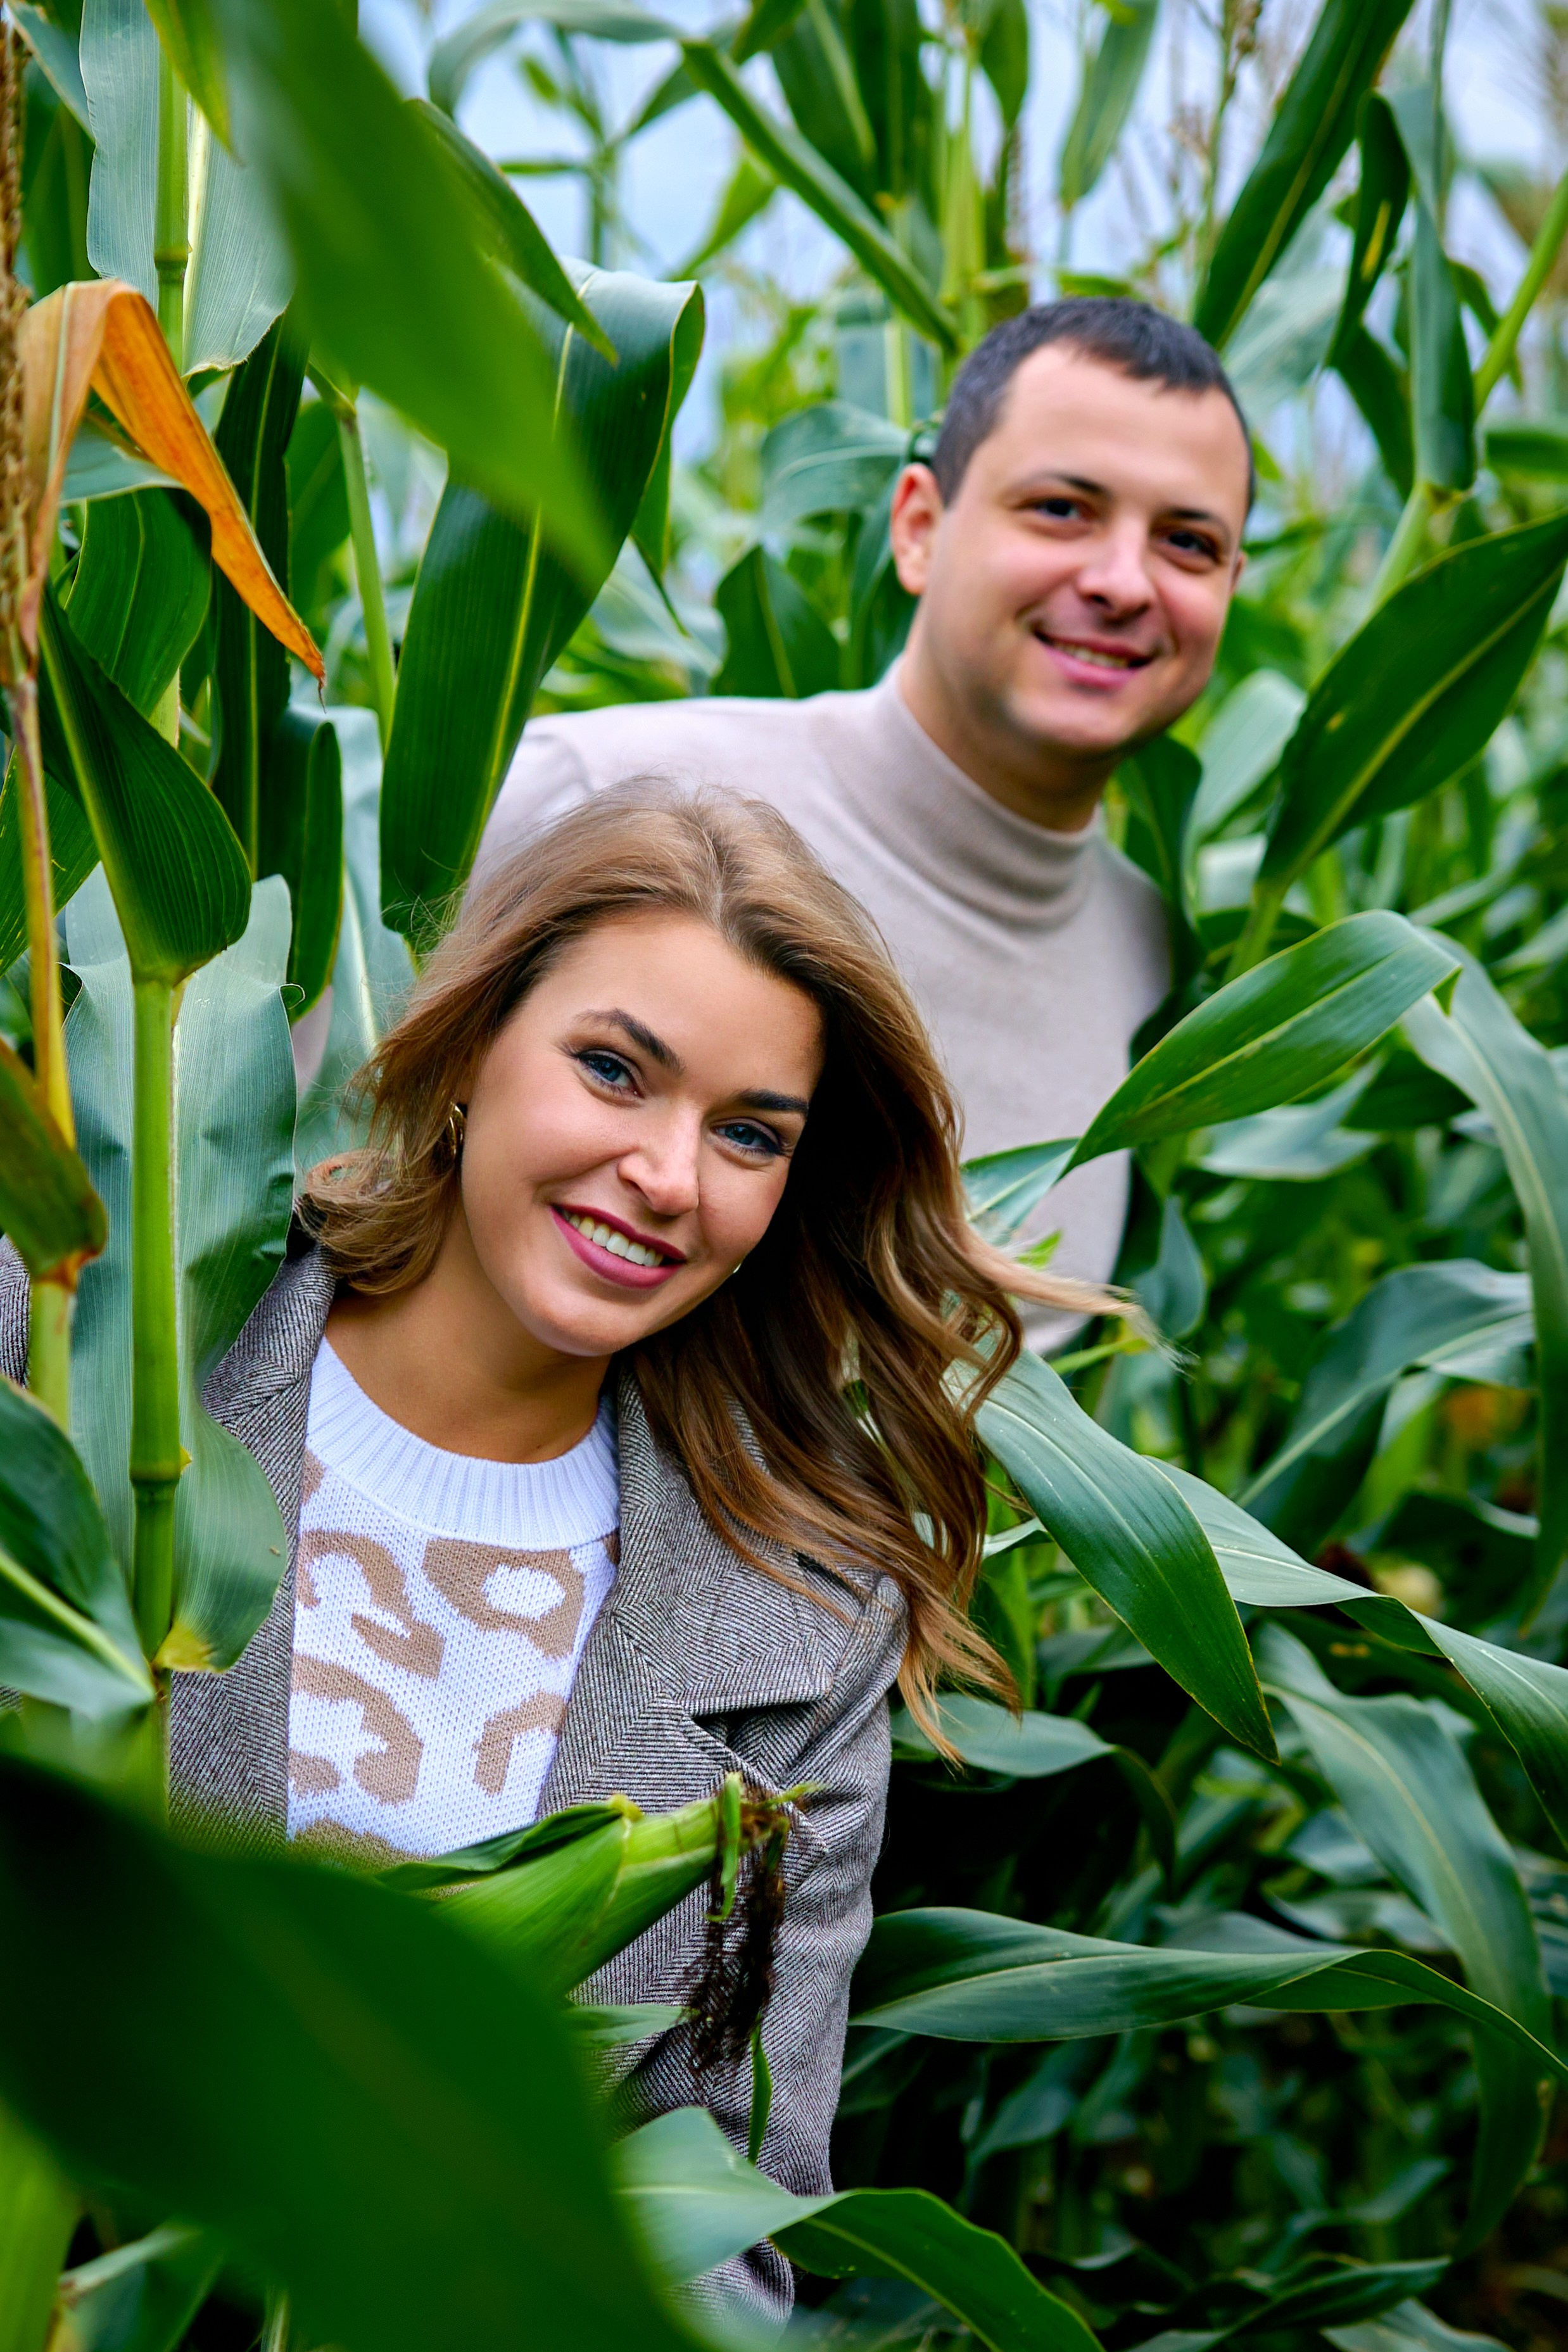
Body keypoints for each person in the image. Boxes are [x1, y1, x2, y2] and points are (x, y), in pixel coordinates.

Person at [1, 787, 1106, 2325]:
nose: (668, 1174)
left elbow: (723, 2224)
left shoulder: (808, 1625)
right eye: (612, 1071)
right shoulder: (81, 1345)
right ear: (469, 1048)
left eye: (747, 1134)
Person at [481, 298, 1254, 1344]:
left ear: (1231, 587)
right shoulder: (590, 797)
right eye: (1061, 509)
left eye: (1188, 542)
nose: (1122, 582)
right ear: (919, 527)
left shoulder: (1147, 947)